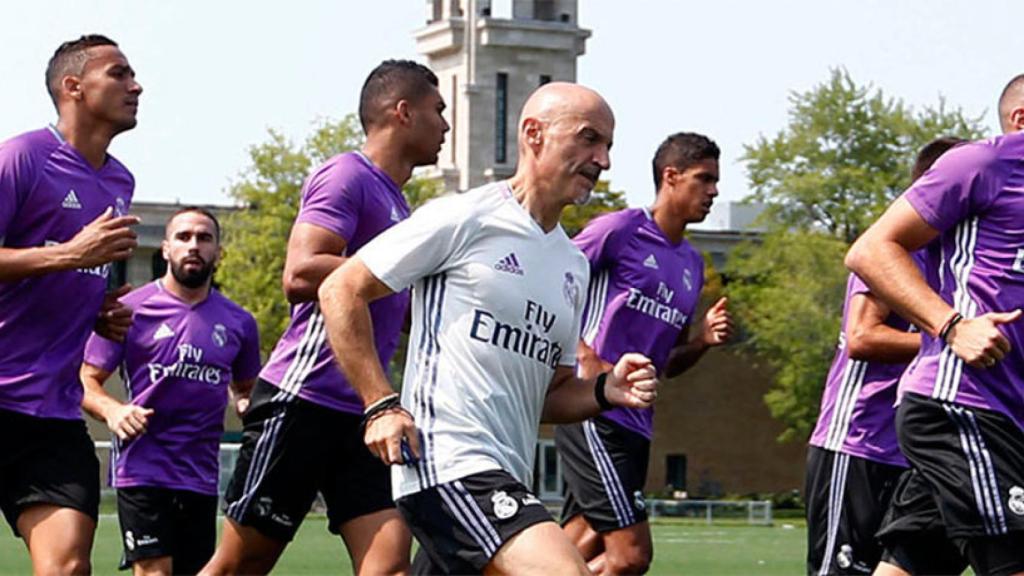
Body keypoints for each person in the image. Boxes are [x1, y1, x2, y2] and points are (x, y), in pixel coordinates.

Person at [318, 82, 659, 576]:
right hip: (449, 466)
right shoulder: (467, 216)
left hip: (507, 479)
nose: (602, 159)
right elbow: (340, 290)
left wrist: (606, 389)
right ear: (534, 134)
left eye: (608, 146)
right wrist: (381, 406)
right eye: (589, 139)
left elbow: (550, 395)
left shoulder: (572, 265)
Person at [200, 59, 449, 576]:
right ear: (403, 113)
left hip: (366, 411)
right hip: (303, 402)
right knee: (238, 567)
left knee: (389, 568)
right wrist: (392, 276)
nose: (445, 125)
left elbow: (388, 301)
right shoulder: (347, 175)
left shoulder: (399, 204)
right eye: (437, 111)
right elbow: (302, 270)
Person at [846, 75, 1024, 576]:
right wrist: (952, 325)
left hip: (1007, 418)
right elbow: (870, 249)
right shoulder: (983, 164)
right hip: (962, 405)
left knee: (911, 566)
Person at [554, 132, 732, 575]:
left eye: (716, 182)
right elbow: (554, 280)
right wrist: (583, 353)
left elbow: (667, 362)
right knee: (631, 556)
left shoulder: (692, 265)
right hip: (594, 410)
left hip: (638, 425)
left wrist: (702, 343)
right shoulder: (622, 230)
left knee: (573, 549)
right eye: (704, 179)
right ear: (670, 177)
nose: (713, 191)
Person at [0, 34, 141, 574]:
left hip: (52, 412)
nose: (136, 85)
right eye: (120, 74)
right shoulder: (23, 157)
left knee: (67, 567)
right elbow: (61, 257)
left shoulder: (120, 180)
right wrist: (67, 257)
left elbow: (68, 270)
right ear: (74, 87)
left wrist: (96, 307)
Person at [805, 137, 964, 576]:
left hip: (916, 454)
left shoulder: (955, 259)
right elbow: (861, 336)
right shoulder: (894, 248)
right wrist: (951, 338)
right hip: (858, 445)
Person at [80, 208, 261, 575]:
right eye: (183, 237)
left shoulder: (240, 323)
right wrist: (114, 411)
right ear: (165, 249)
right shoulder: (130, 309)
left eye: (204, 238)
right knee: (155, 571)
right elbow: (84, 381)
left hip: (201, 474)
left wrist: (245, 403)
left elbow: (245, 390)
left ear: (218, 252)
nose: (193, 245)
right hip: (143, 467)